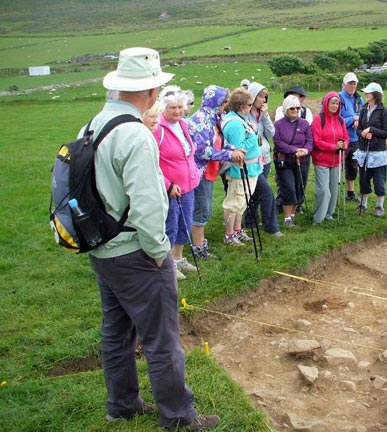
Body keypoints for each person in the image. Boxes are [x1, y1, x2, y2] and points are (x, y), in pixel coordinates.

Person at [84, 47, 219, 430]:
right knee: (161, 338)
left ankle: (122, 404)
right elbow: (146, 205)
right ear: (150, 92)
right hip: (134, 251)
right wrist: (160, 253)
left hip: (102, 246)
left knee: (116, 329)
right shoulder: (136, 135)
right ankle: (178, 416)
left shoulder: (93, 125)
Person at [188, 85, 246, 259]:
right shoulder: (200, 120)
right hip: (200, 172)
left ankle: (200, 244)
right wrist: (230, 154)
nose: (225, 105)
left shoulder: (214, 117)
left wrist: (233, 148)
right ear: (216, 101)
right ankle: (198, 248)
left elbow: (219, 141)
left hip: (210, 170)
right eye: (224, 102)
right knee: (201, 209)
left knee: (204, 207)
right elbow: (202, 151)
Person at [154, 85, 201, 280]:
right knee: (170, 224)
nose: (178, 111)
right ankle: (168, 265)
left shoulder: (182, 125)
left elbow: (188, 152)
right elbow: (151, 161)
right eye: (173, 107)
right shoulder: (158, 129)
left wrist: (194, 173)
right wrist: (167, 184)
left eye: (180, 107)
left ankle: (179, 257)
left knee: (185, 221)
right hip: (171, 188)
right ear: (163, 108)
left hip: (188, 185)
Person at [220, 87, 260, 246]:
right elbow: (237, 148)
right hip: (240, 168)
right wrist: (253, 137)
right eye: (250, 104)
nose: (252, 107)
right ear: (242, 106)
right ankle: (229, 235)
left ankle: (237, 230)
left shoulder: (240, 119)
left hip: (249, 167)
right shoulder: (235, 124)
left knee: (242, 202)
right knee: (234, 202)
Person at [245, 82, 283, 237]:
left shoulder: (262, 115)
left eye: (265, 97)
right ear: (253, 97)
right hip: (252, 160)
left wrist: (266, 116)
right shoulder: (245, 114)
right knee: (266, 192)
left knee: (255, 193)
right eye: (261, 97)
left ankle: (250, 222)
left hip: (265, 158)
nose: (264, 100)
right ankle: (271, 227)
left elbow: (271, 133)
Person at [273, 95, 313, 227]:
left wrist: (305, 151)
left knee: (299, 188)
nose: (295, 110)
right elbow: (277, 142)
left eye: (298, 108)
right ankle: (287, 218)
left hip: (302, 160)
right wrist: (294, 150)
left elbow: (309, 141)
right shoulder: (278, 125)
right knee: (288, 188)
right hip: (285, 161)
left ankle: (293, 214)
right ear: (286, 109)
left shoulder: (305, 124)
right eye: (292, 108)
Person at [311, 91, 349, 224]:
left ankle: (329, 214)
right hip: (321, 160)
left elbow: (346, 137)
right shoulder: (318, 119)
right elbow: (317, 141)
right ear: (326, 103)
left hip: (336, 160)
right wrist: (334, 147)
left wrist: (344, 144)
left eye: (337, 103)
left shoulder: (340, 120)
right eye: (332, 103)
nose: (335, 106)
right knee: (323, 190)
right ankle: (318, 218)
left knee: (334, 189)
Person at [354, 82, 387, 217]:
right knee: (363, 179)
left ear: (375, 95)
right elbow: (358, 129)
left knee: (379, 180)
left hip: (378, 152)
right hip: (364, 150)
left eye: (368, 93)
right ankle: (363, 204)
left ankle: (379, 206)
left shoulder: (384, 111)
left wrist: (372, 130)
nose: (366, 94)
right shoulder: (364, 109)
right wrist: (363, 133)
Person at [339, 72, 364, 203]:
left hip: (355, 138)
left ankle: (350, 192)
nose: (352, 86)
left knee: (353, 166)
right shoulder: (339, 98)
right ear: (343, 84)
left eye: (354, 84)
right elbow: (337, 118)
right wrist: (352, 119)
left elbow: (363, 114)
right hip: (341, 138)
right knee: (338, 165)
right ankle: (333, 191)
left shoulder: (359, 99)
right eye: (350, 83)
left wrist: (358, 118)